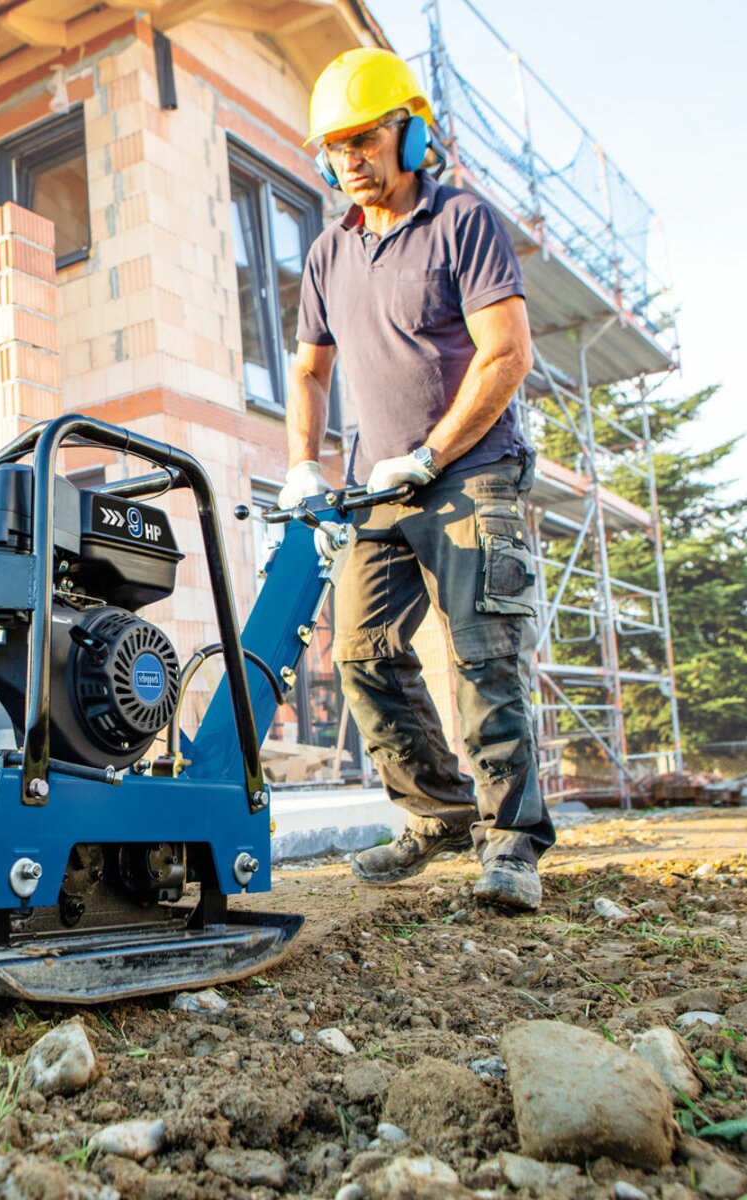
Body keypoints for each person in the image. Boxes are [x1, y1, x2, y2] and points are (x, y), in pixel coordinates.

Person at [278, 48, 552, 911]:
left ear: (413, 132)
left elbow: (507, 354)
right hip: (375, 488)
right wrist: (301, 464)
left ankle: (511, 841)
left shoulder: (463, 221)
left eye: (363, 139)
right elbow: (309, 371)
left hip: (471, 472)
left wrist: (433, 452)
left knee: (482, 652)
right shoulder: (330, 252)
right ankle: (436, 814)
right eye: (332, 147)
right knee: (360, 653)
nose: (346, 160)